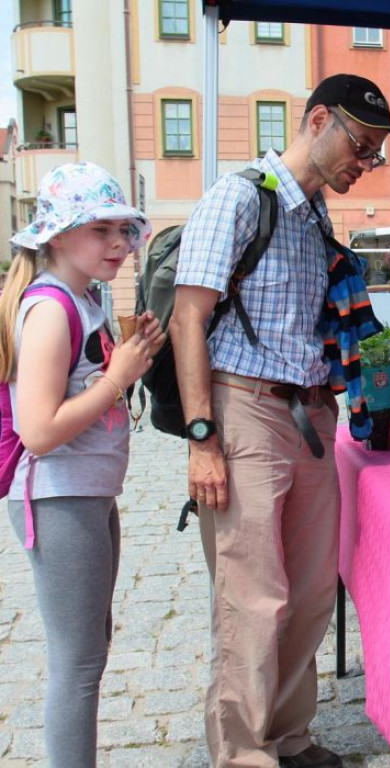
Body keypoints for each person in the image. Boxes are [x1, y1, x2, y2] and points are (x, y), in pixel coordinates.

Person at [169, 73, 390, 768]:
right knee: (253, 598)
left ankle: (289, 737)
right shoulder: (240, 197)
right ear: (315, 122)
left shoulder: (312, 214)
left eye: (371, 154)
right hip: (242, 407)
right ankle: (244, 753)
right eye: (359, 146)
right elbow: (190, 317)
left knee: (308, 594)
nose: (362, 163)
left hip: (310, 415)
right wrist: (202, 439)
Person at [1, 162, 164, 766]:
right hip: (58, 495)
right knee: (79, 661)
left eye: (124, 230)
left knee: (89, 649)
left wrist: (127, 361)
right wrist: (119, 376)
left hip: (85, 494)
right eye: (103, 231)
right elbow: (38, 430)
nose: (120, 244)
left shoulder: (83, 299)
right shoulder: (50, 309)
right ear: (59, 235)